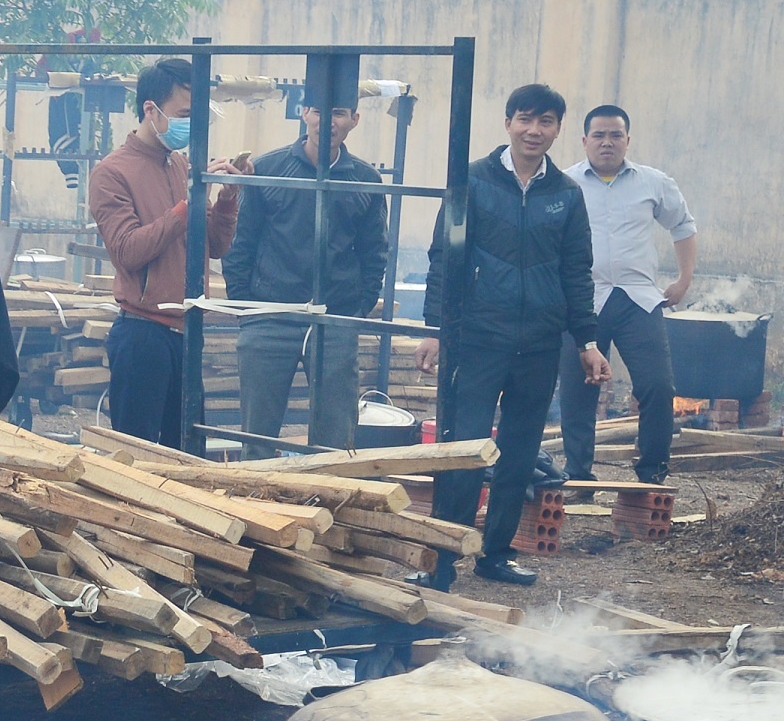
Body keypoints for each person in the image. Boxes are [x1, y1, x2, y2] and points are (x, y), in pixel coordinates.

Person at [429, 83, 605, 585]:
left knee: (520, 451)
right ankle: (445, 555)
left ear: (557, 129)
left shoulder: (566, 195)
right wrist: (435, 331)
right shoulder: (473, 182)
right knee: (464, 448)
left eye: (546, 122)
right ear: (508, 123)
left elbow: (577, 270)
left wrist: (587, 342)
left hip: (539, 342)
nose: (535, 130)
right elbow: (444, 257)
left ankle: (495, 554)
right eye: (525, 119)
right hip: (480, 338)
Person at [89, 57, 241, 451]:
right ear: (150, 110)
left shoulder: (180, 166)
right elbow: (128, 251)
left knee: (188, 453)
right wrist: (187, 203)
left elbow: (215, 247)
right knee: (137, 457)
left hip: (186, 334)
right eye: (184, 114)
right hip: (143, 334)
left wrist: (225, 202)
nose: (191, 125)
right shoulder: (112, 172)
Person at [223, 89, 387, 438]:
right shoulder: (268, 169)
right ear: (304, 114)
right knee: (257, 437)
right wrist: (247, 310)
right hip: (268, 316)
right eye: (318, 110)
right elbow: (241, 243)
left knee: (336, 437)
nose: (327, 121)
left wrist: (356, 309)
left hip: (334, 319)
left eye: (339, 112)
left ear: (355, 120)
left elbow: (375, 251)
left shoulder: (365, 180)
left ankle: (333, 494)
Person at [558, 105, 699, 484]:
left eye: (615, 135)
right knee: (577, 392)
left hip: (639, 300)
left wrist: (684, 280)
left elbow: (683, 227)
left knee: (657, 386)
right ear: (584, 140)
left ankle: (652, 473)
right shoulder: (564, 184)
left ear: (627, 141)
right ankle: (578, 476)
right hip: (581, 300)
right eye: (599, 135)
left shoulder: (653, 182)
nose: (607, 142)